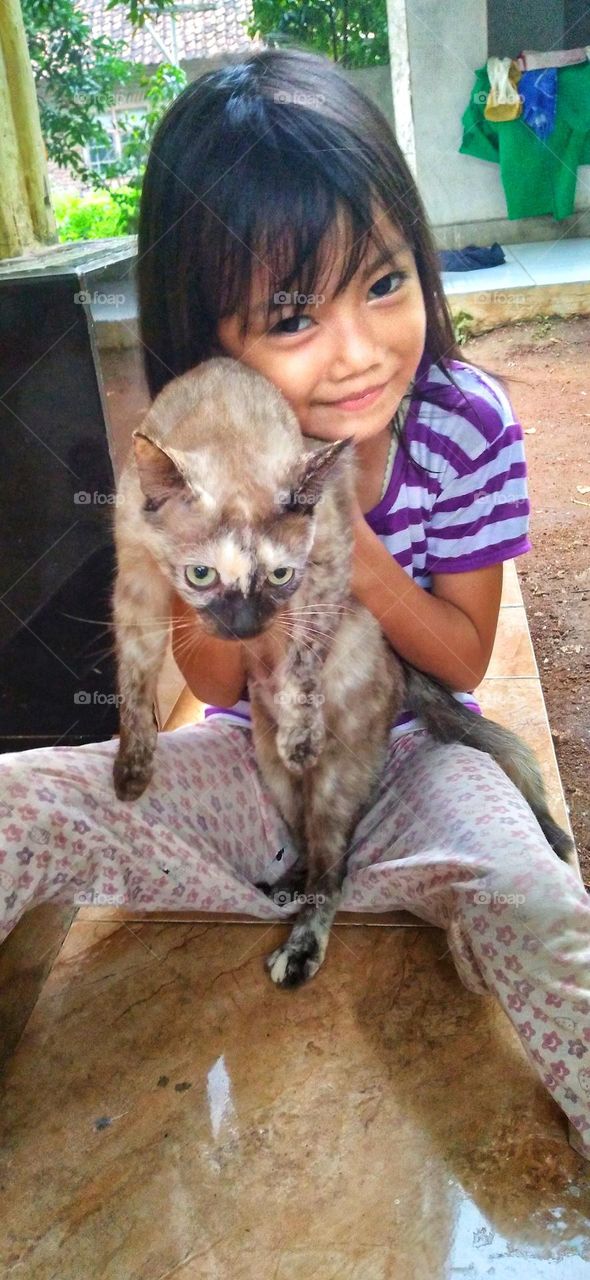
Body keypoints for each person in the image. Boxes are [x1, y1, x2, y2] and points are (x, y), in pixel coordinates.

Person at [1, 48, 589, 1162]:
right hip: (254, 771)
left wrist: (352, 554)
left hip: (416, 756)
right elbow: (219, 686)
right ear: (210, 337)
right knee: (17, 801)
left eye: (381, 282)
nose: (357, 351)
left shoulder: (463, 423)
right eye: (289, 315)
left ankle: (396, 880)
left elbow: (461, 661)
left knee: (534, 898)